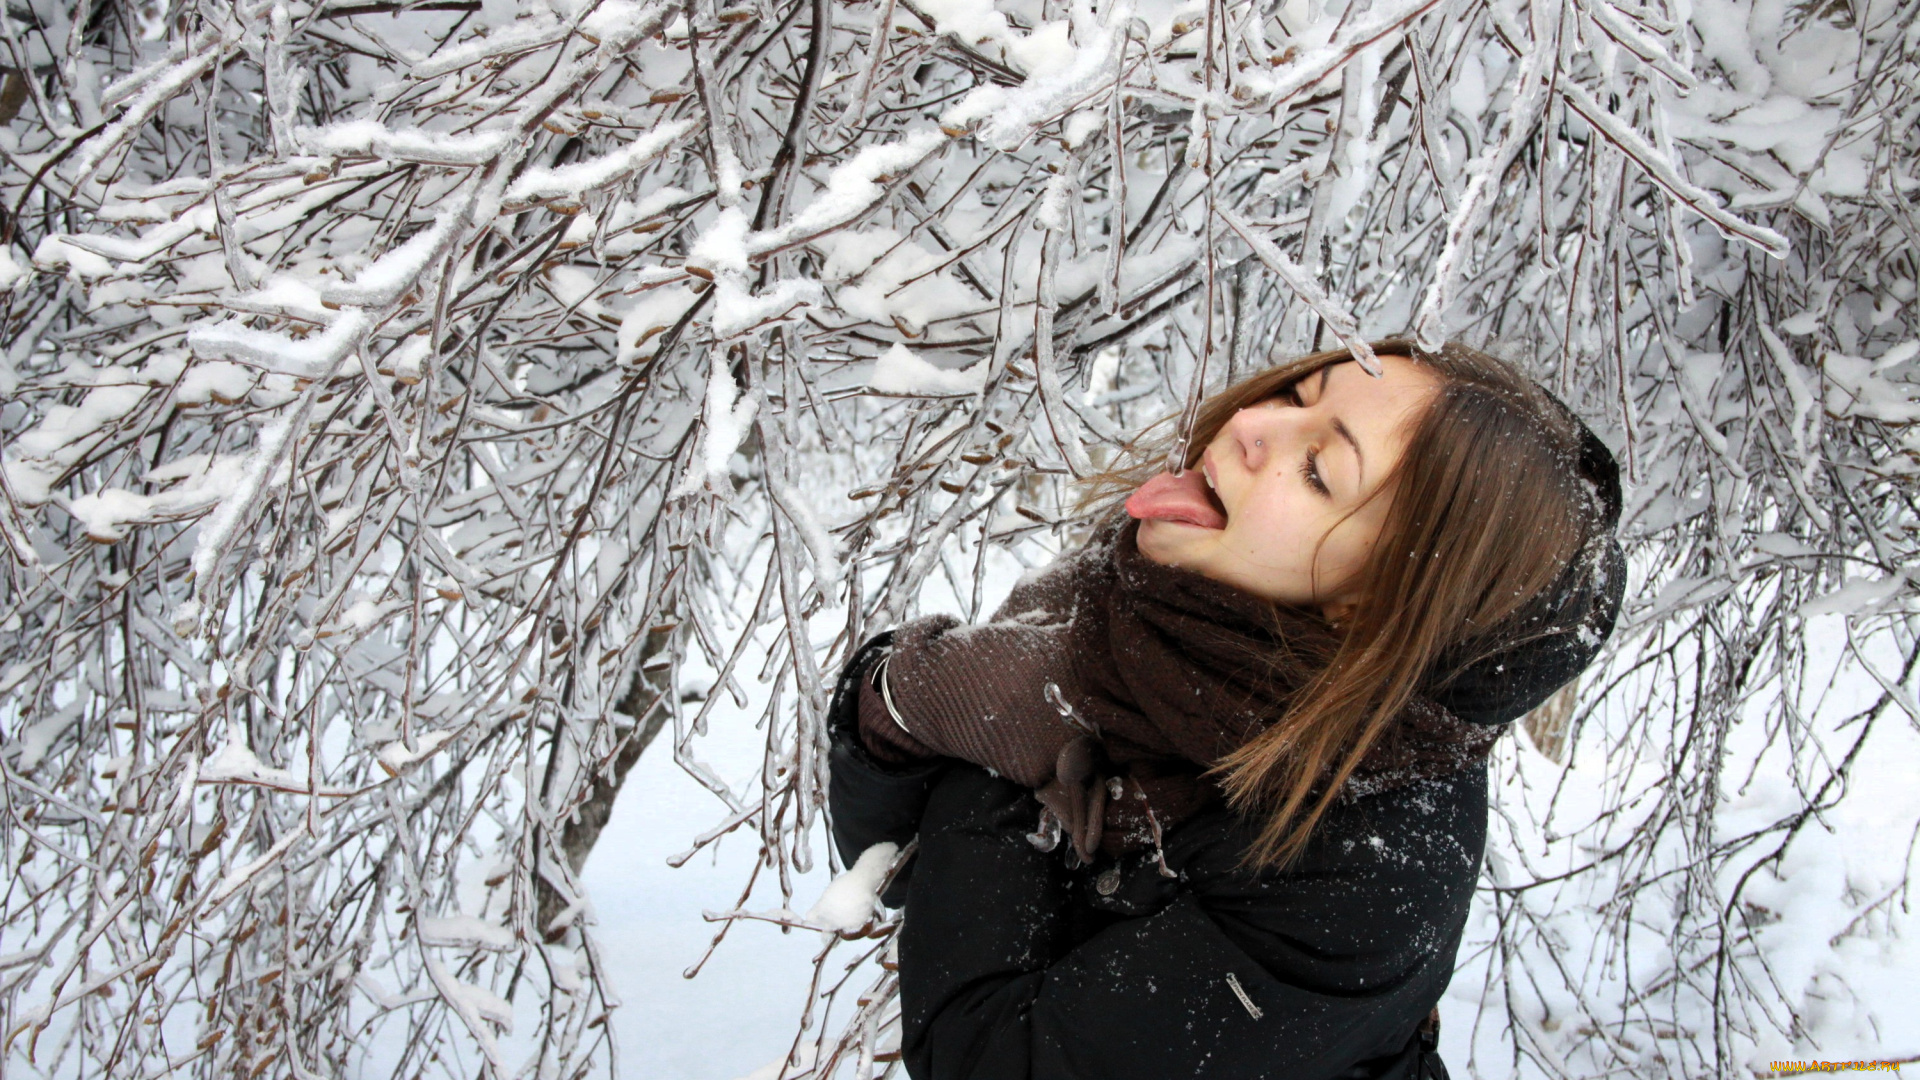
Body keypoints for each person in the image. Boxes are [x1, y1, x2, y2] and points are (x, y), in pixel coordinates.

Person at [827, 339, 1626, 1079]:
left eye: (1319, 470)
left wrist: (1006, 756)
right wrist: (895, 701)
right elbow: (901, 870)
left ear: (1374, 608)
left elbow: (987, 1055)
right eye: (1295, 396)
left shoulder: (1356, 873)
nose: (1249, 422)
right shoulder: (1157, 604)